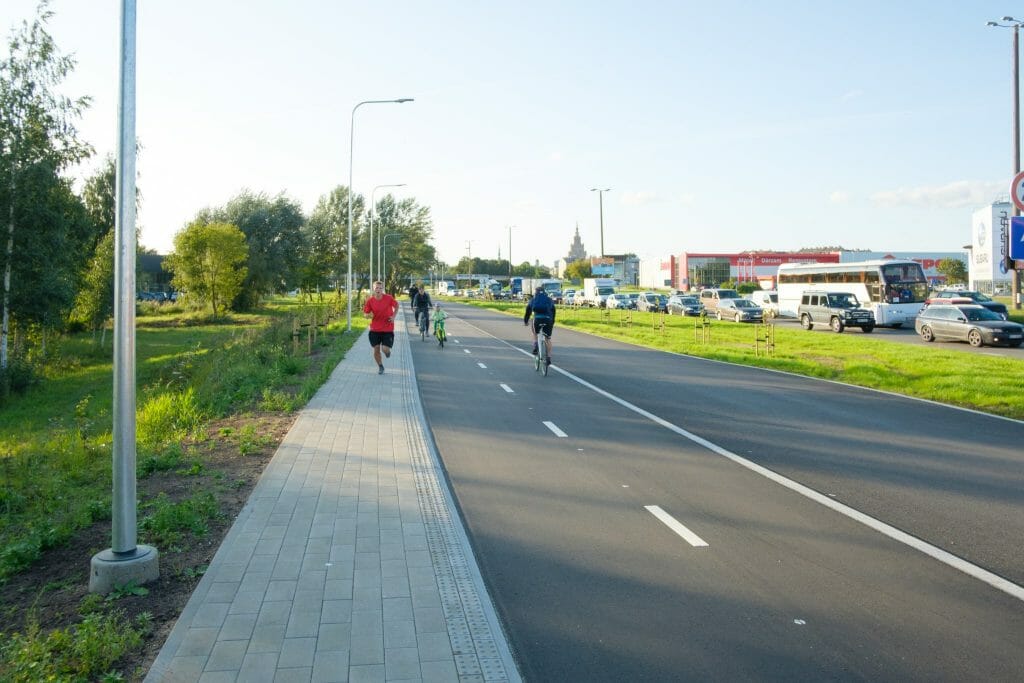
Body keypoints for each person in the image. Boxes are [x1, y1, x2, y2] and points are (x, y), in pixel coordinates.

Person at [363, 280, 399, 374]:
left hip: (387, 328)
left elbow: (397, 305)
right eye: (376, 288)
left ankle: (387, 352)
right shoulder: (370, 301)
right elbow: (365, 313)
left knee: (385, 349)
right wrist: (367, 315)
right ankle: (380, 366)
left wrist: (393, 316)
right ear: (373, 289)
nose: (378, 290)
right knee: (376, 349)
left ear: (382, 289)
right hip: (375, 329)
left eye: (380, 288)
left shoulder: (388, 298)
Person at [523, 285, 556, 364]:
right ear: (544, 292)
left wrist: (526, 321)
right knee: (548, 338)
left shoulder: (533, 299)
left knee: (534, 333)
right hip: (548, 320)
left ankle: (535, 346)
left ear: (536, 292)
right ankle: (548, 357)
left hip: (537, 319)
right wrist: (552, 321)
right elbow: (553, 311)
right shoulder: (549, 299)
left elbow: (528, 312)